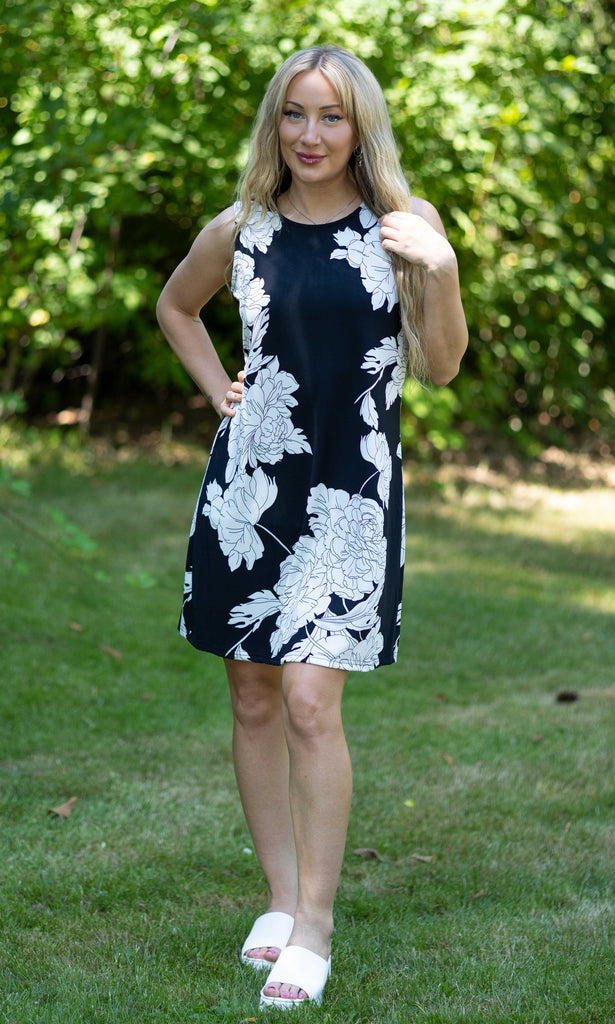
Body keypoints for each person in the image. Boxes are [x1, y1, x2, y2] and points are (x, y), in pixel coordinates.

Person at [156, 44, 468, 1010]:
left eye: (331, 117)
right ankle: (282, 901)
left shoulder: (402, 227)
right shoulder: (241, 227)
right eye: (294, 115)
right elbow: (176, 305)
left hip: (349, 492)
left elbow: (446, 366)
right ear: (273, 123)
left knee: (306, 702)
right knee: (251, 696)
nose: (310, 135)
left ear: (359, 126)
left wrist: (444, 271)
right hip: (250, 489)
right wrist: (219, 394)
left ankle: (318, 931)